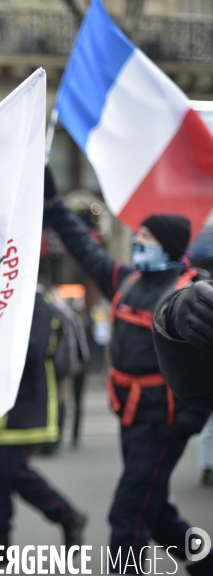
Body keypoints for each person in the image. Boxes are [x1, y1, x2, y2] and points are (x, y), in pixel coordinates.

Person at [43, 167, 213, 575]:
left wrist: (188, 420)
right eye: (140, 235)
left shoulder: (191, 292)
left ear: (169, 245)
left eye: (148, 237)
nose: (139, 240)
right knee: (152, 509)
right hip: (129, 412)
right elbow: (83, 247)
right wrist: (52, 204)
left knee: (128, 512)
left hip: (164, 418)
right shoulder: (125, 279)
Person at [0, 289, 87, 548]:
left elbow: (34, 349)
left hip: (24, 404)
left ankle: (67, 515)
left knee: (15, 470)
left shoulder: (37, 303)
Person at [153, 279, 213, 411]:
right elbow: (202, 388)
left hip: (164, 401)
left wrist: (189, 420)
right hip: (141, 398)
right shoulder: (129, 282)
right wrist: (172, 319)